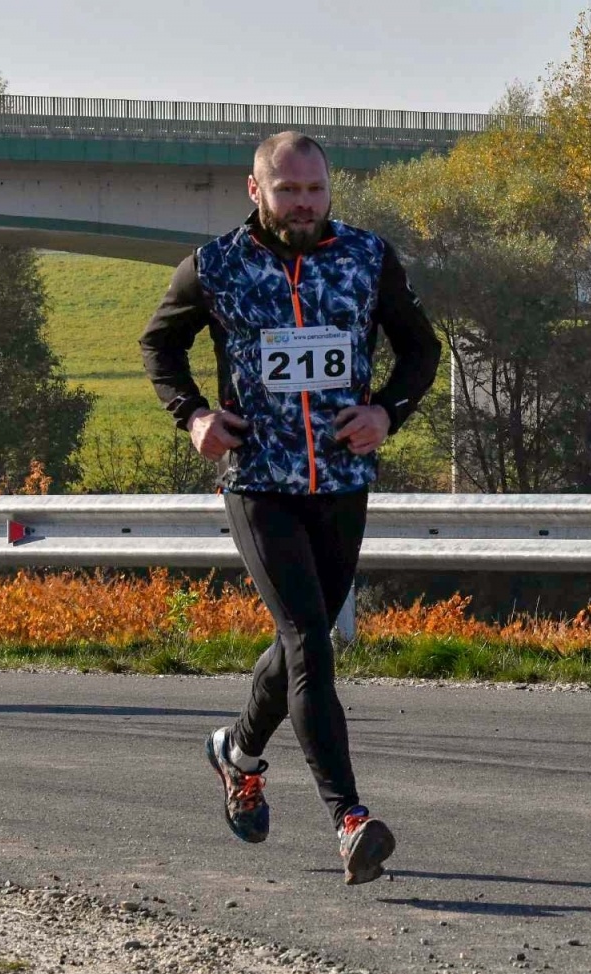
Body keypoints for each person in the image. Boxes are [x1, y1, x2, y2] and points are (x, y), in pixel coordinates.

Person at [139, 131, 441, 885]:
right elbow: (159, 346)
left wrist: (387, 414)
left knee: (295, 646)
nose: (303, 205)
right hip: (260, 482)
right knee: (311, 640)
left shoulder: (368, 259)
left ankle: (236, 754)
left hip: (340, 483)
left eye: (314, 190)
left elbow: (420, 351)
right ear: (256, 191)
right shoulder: (214, 267)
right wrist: (194, 416)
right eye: (288, 191)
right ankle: (350, 819)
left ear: (329, 189)